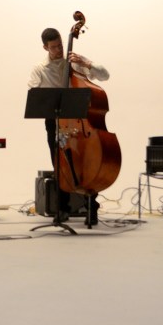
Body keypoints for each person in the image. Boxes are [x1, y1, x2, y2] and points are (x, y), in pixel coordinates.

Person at [27, 27, 110, 226]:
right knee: (60, 165)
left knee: (87, 162)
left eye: (60, 45)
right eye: (54, 47)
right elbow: (33, 93)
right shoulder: (39, 69)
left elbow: (105, 76)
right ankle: (62, 208)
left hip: (80, 122)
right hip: (54, 122)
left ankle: (91, 206)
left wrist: (86, 63)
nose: (59, 50)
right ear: (45, 47)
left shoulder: (74, 62)